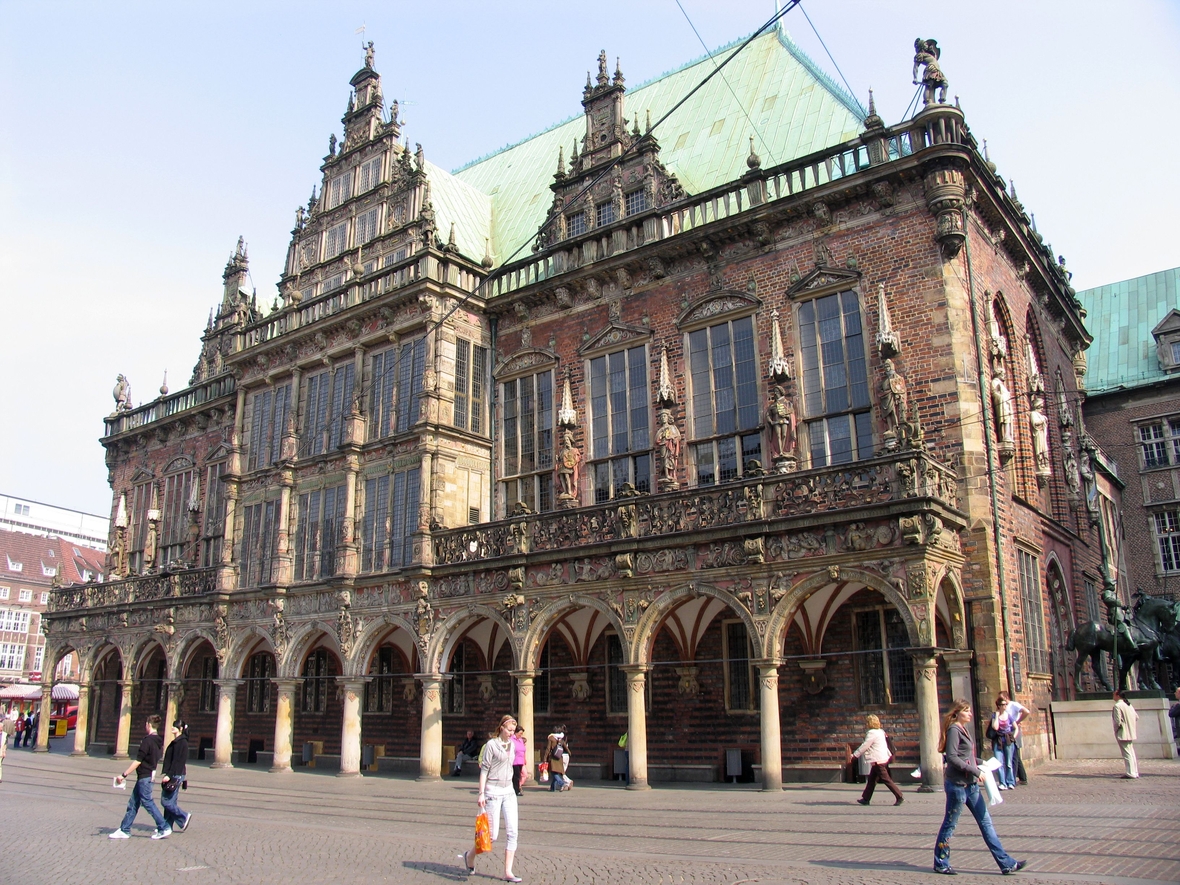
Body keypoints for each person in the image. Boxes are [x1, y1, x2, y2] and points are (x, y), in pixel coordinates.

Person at [933, 700, 1026, 876]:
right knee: (950, 825)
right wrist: (975, 771)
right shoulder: (954, 729)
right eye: (966, 711)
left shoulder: (964, 729)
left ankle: (1006, 863)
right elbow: (952, 757)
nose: (970, 714)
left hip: (971, 785)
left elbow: (966, 756)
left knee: (986, 822)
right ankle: (941, 862)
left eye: (969, 710)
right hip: (958, 786)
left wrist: (983, 764)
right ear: (957, 713)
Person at [459, 714, 522, 883]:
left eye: (513, 731)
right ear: (501, 728)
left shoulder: (513, 745)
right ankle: (469, 856)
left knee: (512, 832)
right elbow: (484, 770)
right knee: (491, 836)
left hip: (509, 791)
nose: (512, 733)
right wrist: (481, 794)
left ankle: (508, 871)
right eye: (509, 730)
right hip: (493, 791)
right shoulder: (491, 745)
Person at [110, 714, 170, 839]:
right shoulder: (159, 741)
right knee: (133, 803)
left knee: (147, 802)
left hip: (145, 776)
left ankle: (163, 827)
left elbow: (138, 761)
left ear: (148, 725)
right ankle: (124, 829)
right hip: (149, 775)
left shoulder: (147, 741)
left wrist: (124, 774)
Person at [849, 714, 903, 806]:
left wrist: (855, 755)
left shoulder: (872, 733)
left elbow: (865, 745)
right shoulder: (880, 731)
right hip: (883, 758)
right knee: (872, 780)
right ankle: (866, 798)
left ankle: (899, 796)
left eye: (867, 722)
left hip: (878, 761)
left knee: (886, 779)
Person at [160, 720, 192, 832]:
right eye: (172, 725)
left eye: (175, 726)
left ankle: (183, 816)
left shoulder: (181, 742)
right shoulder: (178, 741)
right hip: (176, 773)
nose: (172, 727)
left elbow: (177, 761)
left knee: (166, 801)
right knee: (171, 801)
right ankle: (167, 826)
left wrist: (169, 775)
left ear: (181, 729)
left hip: (175, 774)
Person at [989, 694, 1023, 790]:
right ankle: (1002, 783)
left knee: (1008, 762)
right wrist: (996, 716)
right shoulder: (994, 715)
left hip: (1008, 740)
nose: (1005, 706)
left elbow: (1016, 728)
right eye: (1003, 704)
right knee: (999, 762)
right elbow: (995, 727)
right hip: (998, 740)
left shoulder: (1009, 716)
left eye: (1005, 704)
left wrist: (1013, 737)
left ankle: (1010, 782)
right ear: (999, 706)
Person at [1112, 690, 1139, 779]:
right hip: (1130, 731)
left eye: (1114, 694)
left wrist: (1116, 730)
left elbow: (1117, 721)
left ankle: (1130, 772)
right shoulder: (1128, 705)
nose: (1113, 696)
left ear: (1118, 695)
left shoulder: (1117, 706)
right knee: (1131, 752)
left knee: (1127, 753)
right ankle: (1134, 771)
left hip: (1123, 732)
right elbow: (1136, 717)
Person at [545, 726, 573, 792]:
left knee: (553, 773)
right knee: (556, 772)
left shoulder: (551, 738)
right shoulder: (561, 739)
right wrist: (569, 753)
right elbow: (566, 748)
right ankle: (552, 788)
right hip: (559, 758)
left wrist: (544, 759)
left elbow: (548, 749)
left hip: (553, 758)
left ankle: (562, 783)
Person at [510, 725, 528, 796]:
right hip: (514, 761)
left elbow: (523, 750)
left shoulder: (520, 740)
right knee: (516, 776)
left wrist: (524, 759)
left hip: (520, 761)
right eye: (520, 733)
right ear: (516, 732)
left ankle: (517, 788)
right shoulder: (511, 739)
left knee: (519, 775)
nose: (521, 735)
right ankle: (516, 790)